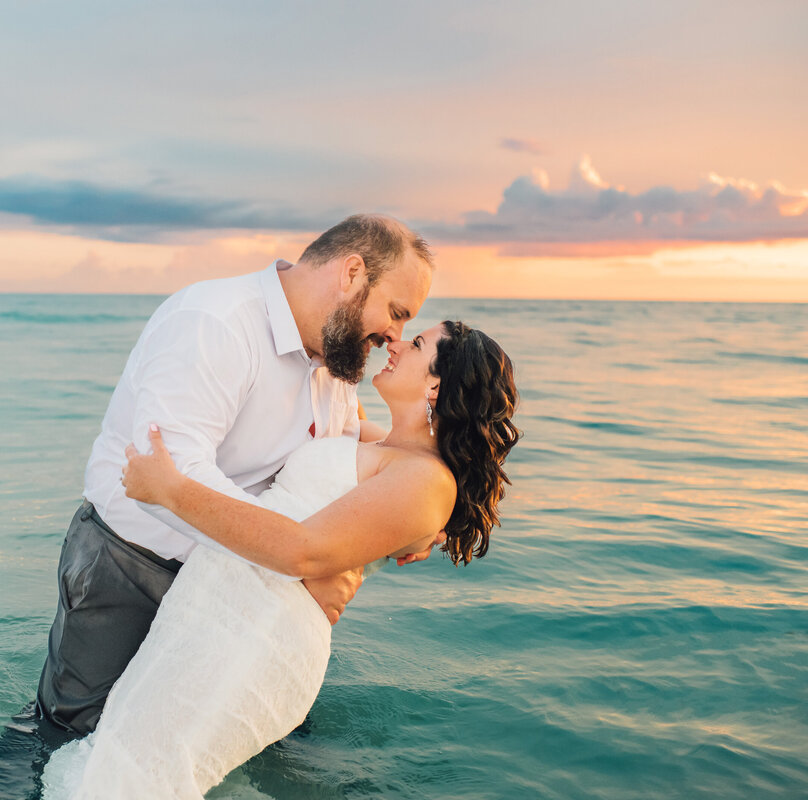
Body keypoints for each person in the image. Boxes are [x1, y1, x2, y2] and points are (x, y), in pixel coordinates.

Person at [39, 320, 520, 798]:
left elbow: (302, 550)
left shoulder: (426, 479)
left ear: (436, 384)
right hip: (213, 612)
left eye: (416, 344)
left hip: (260, 637)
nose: (395, 342)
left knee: (145, 776)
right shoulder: (382, 443)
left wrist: (172, 490)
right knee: (121, 759)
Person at [35, 213, 437, 739]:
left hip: (233, 583)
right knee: (70, 738)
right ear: (353, 272)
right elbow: (167, 481)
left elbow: (341, 448)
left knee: (220, 740)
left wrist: (423, 506)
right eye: (396, 311)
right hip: (133, 568)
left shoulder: (335, 357)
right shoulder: (215, 321)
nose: (394, 336)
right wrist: (298, 561)